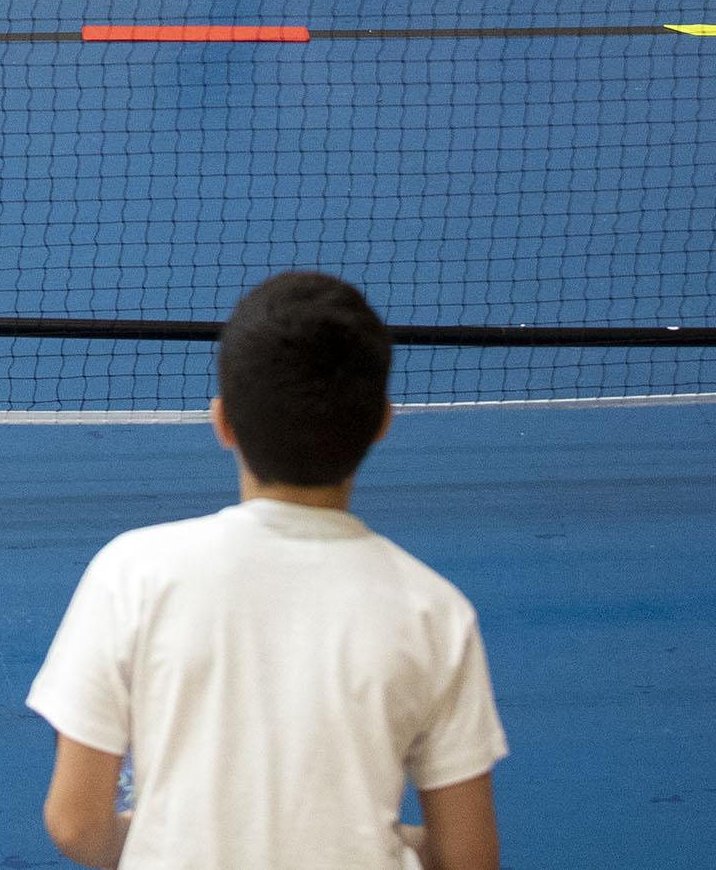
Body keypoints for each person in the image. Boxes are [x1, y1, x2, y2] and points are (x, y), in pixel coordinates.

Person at [26, 270, 505, 870]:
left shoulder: (131, 573)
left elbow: (77, 824)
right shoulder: (437, 612)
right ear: (382, 421)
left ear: (222, 421)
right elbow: (469, 858)